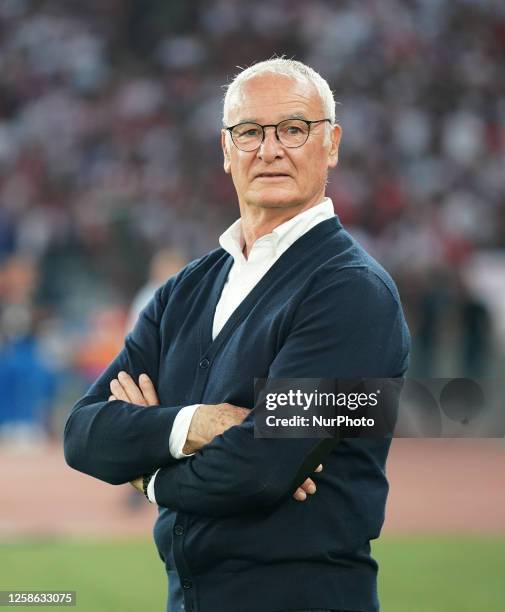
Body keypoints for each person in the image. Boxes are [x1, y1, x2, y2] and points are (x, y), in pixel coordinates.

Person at [64, 58, 410, 612]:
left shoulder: (355, 293)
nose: (269, 149)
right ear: (226, 150)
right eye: (249, 132)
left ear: (333, 144)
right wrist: (196, 424)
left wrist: (149, 474)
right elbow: (83, 433)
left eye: (294, 129)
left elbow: (263, 470)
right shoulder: (184, 290)